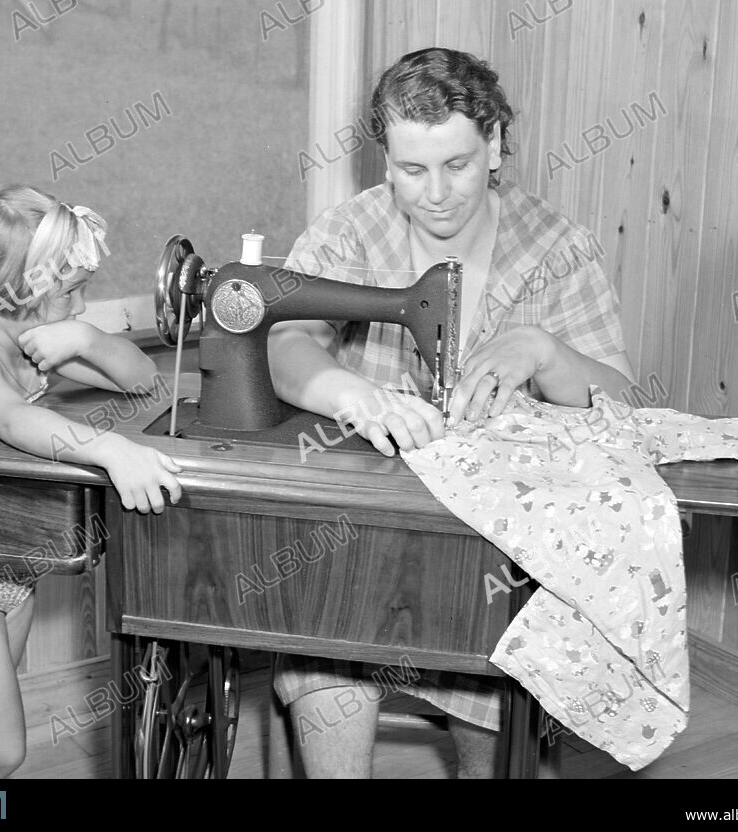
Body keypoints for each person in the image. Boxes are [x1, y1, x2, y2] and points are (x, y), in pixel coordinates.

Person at [267, 48, 636, 778]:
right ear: (386, 159)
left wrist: (542, 352)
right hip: (358, 539)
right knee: (327, 666)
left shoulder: (557, 251)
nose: (434, 194)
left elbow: (621, 405)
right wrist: (355, 396)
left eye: (458, 166)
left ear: (495, 144)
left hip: (500, 556)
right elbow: (284, 346)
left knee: (502, 692)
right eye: (411, 170)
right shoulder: (350, 234)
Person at [0, 185, 183, 778]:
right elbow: (14, 419)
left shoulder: (32, 347)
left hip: (7, 565)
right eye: (70, 290)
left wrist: (87, 338)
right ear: (15, 288)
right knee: (1, 749)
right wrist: (106, 447)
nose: (81, 301)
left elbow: (145, 380)